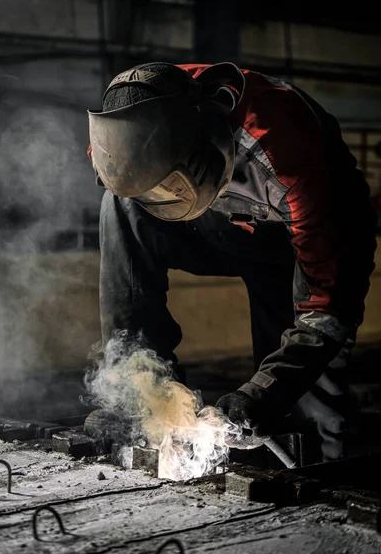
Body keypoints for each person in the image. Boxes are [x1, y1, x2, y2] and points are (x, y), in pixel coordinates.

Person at [86, 62, 377, 463]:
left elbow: (328, 305)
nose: (163, 200)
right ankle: (143, 395)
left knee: (301, 392)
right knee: (121, 206)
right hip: (223, 220)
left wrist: (265, 391)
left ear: (207, 141)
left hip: (311, 233)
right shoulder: (124, 137)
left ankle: (319, 477)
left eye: (171, 189)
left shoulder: (287, 151)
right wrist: (132, 385)